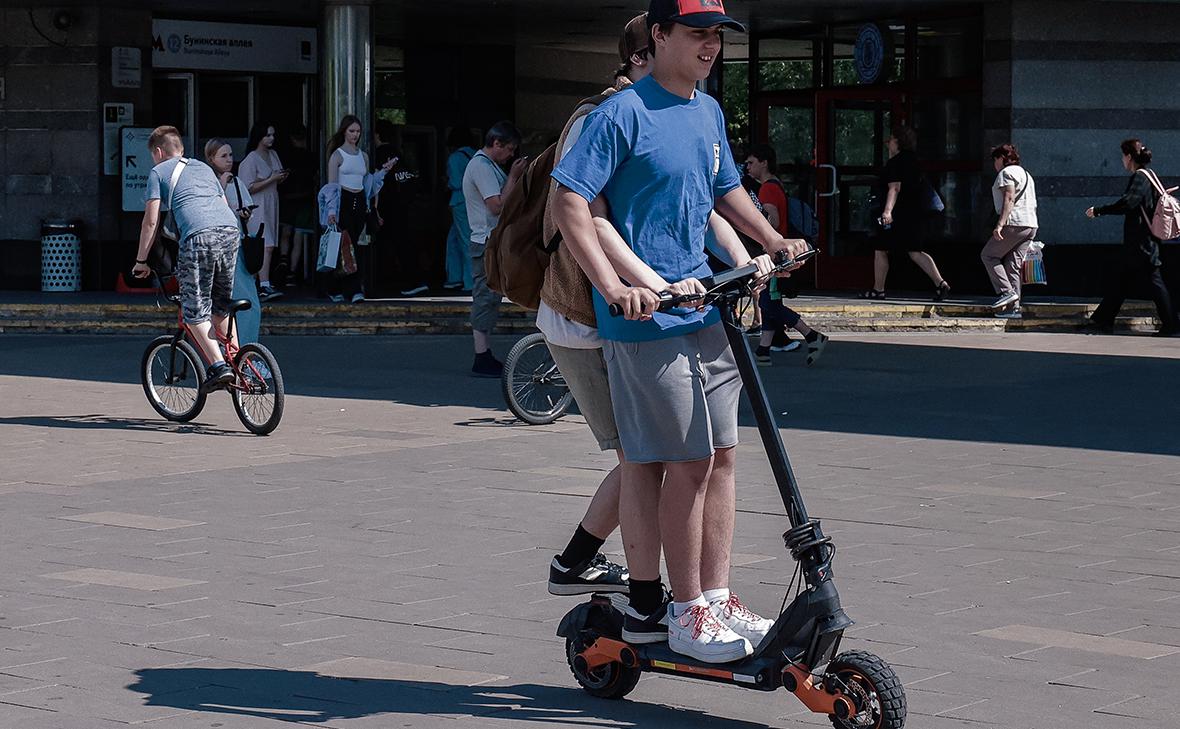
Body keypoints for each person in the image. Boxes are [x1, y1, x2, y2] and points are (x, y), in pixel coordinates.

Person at [551, 0, 808, 663]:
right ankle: (684, 609)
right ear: (658, 35)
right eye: (696, 33)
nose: (709, 46)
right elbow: (571, 203)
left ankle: (716, 596)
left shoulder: (707, 109)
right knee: (683, 460)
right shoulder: (620, 114)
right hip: (645, 318)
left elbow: (725, 191)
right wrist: (615, 287)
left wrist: (772, 240)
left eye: (717, 35)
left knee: (722, 453)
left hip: (704, 304)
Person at [131, 126, 240, 391]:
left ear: (158, 152)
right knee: (221, 304)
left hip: (199, 237)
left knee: (193, 311)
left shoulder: (159, 172)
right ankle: (240, 363)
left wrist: (141, 260)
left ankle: (219, 367)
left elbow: (151, 221)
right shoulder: (203, 168)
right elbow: (223, 204)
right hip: (230, 231)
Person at [1085, 138, 1180, 336]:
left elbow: (1128, 203)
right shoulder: (1150, 175)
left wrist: (1099, 210)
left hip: (1141, 243)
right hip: (1144, 241)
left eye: (1123, 156)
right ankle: (1103, 320)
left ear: (1129, 156)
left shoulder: (1140, 177)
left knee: (1154, 281)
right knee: (1122, 280)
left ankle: (1171, 324)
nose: (1122, 160)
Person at [744, 143, 828, 366]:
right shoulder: (777, 185)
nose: (747, 167)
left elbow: (774, 220)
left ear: (764, 163)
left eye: (751, 163)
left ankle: (812, 336)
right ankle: (763, 351)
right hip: (780, 255)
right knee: (769, 302)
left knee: (769, 303)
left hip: (774, 256)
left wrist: (756, 229)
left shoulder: (767, 188)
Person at [462, 121, 528, 377]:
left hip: (491, 239)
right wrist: (513, 176)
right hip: (486, 239)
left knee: (490, 295)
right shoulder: (481, 167)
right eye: (509, 149)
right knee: (485, 296)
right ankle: (482, 354)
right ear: (496, 144)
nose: (510, 155)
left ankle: (484, 353)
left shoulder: (486, 166)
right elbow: (497, 205)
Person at [862, 126, 950, 301]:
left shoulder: (895, 163)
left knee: (880, 249)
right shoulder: (915, 161)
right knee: (915, 250)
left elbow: (894, 187)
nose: (889, 144)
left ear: (898, 142)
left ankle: (878, 290)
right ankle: (940, 283)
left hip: (898, 214)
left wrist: (887, 211)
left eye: (891, 140)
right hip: (915, 214)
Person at [323, 115, 394, 303]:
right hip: (343, 200)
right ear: (344, 131)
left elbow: (368, 183)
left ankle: (339, 287)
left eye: (357, 132)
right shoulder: (337, 155)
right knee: (346, 245)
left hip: (360, 200)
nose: (355, 135)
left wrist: (383, 172)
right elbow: (331, 186)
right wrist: (332, 210)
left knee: (353, 243)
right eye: (351, 131)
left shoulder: (363, 155)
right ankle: (352, 289)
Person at [204, 138, 261, 345]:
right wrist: (221, 184)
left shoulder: (237, 182)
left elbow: (247, 209)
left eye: (230, 155)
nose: (229, 160)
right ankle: (227, 349)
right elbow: (208, 209)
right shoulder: (208, 182)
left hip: (237, 244)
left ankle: (246, 348)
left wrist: (245, 214)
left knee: (248, 301)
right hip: (215, 247)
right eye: (223, 156)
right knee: (220, 302)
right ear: (211, 158)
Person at [982, 143, 1038, 319]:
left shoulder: (1006, 173)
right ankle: (1013, 309)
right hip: (1030, 225)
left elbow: (1009, 197)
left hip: (1014, 223)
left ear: (1001, 158)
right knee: (1012, 266)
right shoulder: (1026, 174)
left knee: (989, 255)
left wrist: (1000, 224)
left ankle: (1006, 292)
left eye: (995, 160)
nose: (994, 164)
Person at [239, 122, 288, 301]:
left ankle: (261, 282)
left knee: (271, 243)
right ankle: (264, 284)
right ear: (259, 136)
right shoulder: (251, 158)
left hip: (272, 202)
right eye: (267, 135)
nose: (271, 138)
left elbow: (276, 176)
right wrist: (271, 179)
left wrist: (279, 178)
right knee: (263, 243)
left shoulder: (273, 154)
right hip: (258, 204)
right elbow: (247, 187)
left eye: (273, 135)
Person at [278, 124, 316, 288]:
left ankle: (283, 261)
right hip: (305, 198)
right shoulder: (312, 157)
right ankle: (292, 272)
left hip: (287, 198)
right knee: (299, 236)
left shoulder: (284, 156)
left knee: (285, 233)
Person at [444, 127, 478, 292]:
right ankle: (455, 277)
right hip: (476, 201)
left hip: (459, 201)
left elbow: (456, 182)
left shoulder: (455, 158)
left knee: (464, 240)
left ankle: (469, 280)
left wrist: (447, 182)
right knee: (455, 239)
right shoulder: (477, 155)